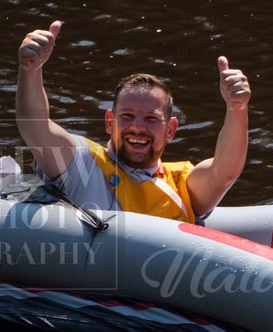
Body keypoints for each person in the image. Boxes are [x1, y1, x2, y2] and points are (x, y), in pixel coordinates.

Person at [15, 20, 251, 221]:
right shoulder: (82, 163)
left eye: (151, 118)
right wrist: (31, 71)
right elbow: (35, 126)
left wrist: (237, 108)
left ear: (170, 130)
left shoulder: (182, 183)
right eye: (127, 116)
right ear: (110, 122)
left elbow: (225, 171)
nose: (138, 127)